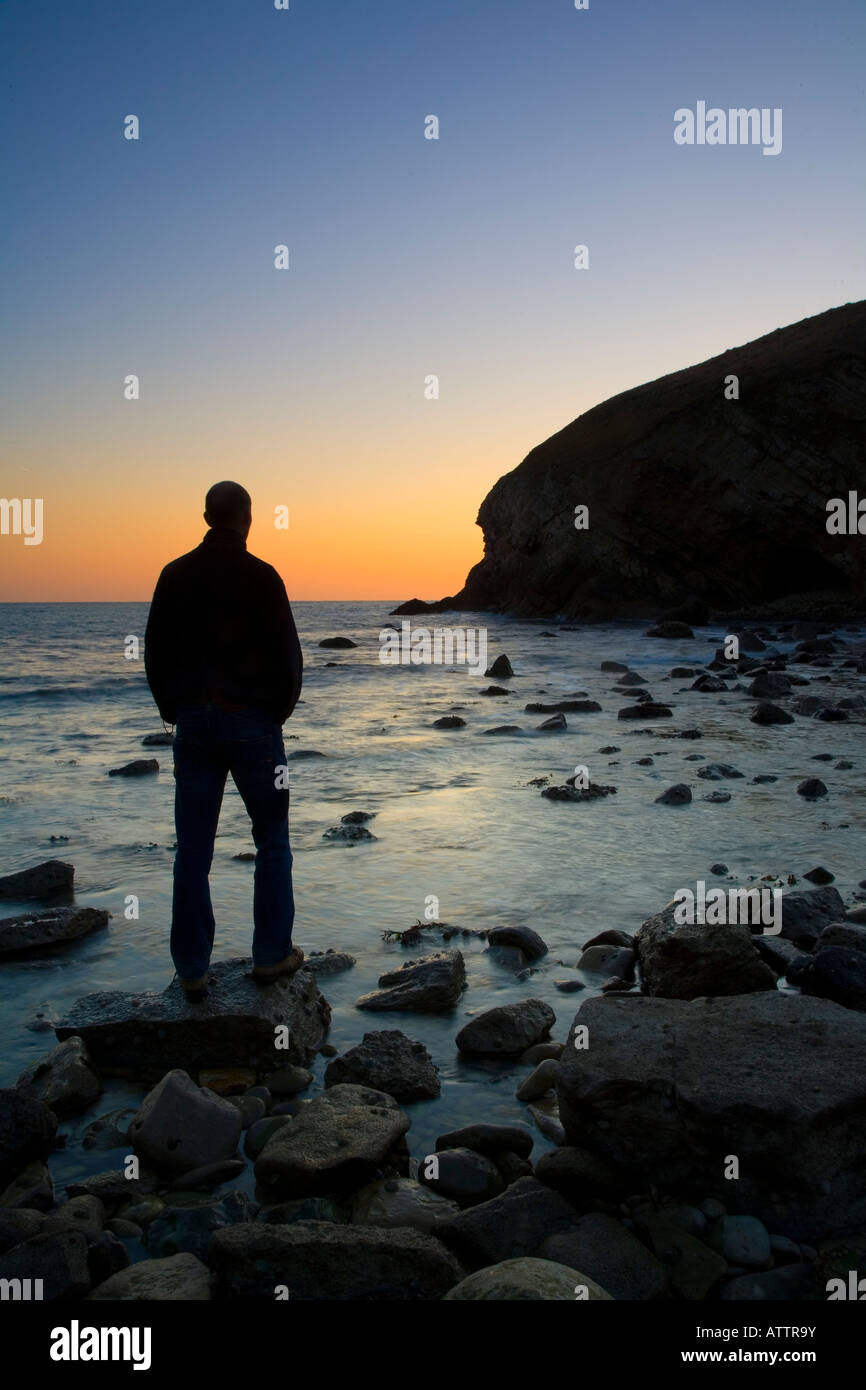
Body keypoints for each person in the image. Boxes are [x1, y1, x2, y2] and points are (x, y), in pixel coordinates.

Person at [144, 482, 304, 1000]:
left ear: (207, 516)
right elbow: (289, 658)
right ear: (247, 519)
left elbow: (155, 652)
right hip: (253, 722)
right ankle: (270, 955)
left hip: (194, 722)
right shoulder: (262, 576)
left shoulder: (174, 574)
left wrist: (173, 709)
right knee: (272, 839)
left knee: (192, 849)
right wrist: (274, 714)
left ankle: (192, 968)